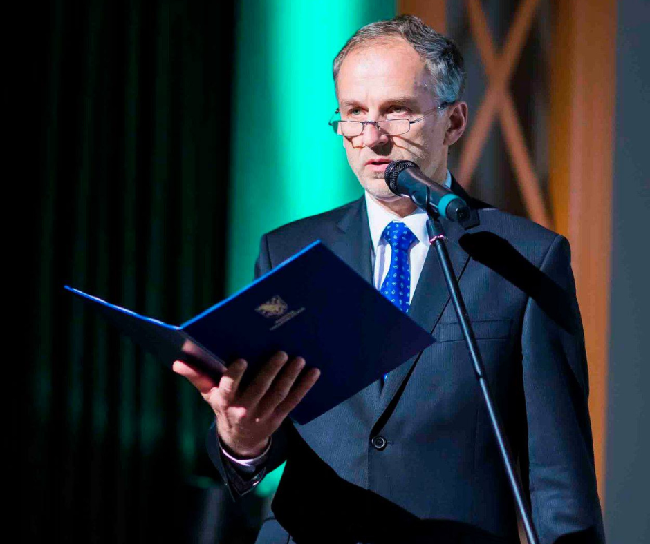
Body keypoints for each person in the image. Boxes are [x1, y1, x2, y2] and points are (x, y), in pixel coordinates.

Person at [173, 15, 604, 544]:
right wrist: (243, 440)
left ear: (453, 122)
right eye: (354, 113)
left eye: (397, 112)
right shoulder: (287, 250)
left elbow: (559, 478)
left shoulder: (526, 257)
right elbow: (261, 436)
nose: (372, 138)